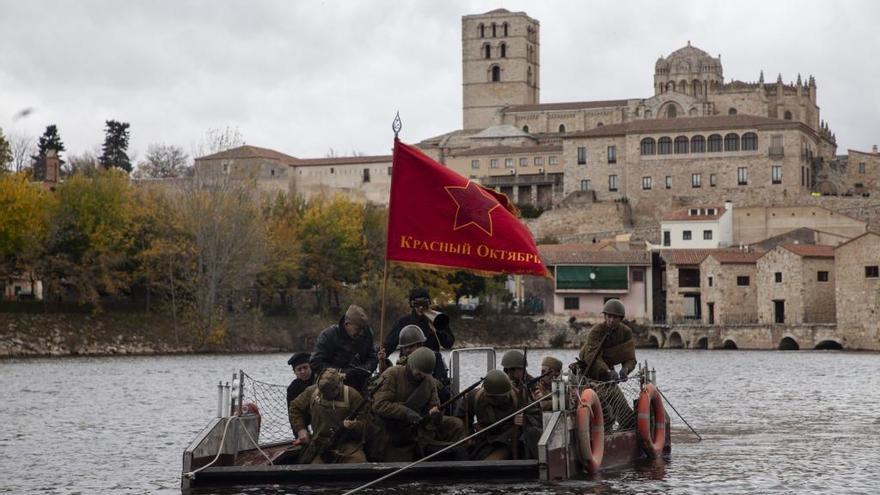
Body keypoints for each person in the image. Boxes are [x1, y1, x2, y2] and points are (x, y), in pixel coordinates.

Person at [367, 347, 465, 462]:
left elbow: (434, 407)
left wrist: (435, 415)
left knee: (455, 424)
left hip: (419, 425)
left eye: (425, 374)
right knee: (400, 461)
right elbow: (380, 405)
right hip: (392, 428)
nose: (422, 376)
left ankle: (460, 461)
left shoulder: (429, 381)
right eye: (419, 373)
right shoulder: (392, 374)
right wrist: (407, 413)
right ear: (411, 365)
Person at [571, 298, 637, 432]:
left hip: (607, 378)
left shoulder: (626, 333)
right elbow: (593, 358)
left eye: (615, 317)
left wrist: (625, 369)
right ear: (605, 316)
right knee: (604, 413)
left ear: (621, 318)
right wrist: (608, 371)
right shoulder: (596, 331)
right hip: (587, 374)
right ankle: (599, 436)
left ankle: (620, 436)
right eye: (609, 316)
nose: (611, 320)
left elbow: (630, 358)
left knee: (627, 418)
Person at [383, 288, 455, 398]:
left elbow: (448, 343)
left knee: (444, 393)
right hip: (408, 366)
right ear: (412, 305)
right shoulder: (404, 322)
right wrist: (381, 357)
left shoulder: (437, 319)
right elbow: (388, 345)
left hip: (432, 365)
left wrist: (438, 330)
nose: (421, 308)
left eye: (424, 304)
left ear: (429, 303)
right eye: (417, 304)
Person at [455, 369, 538, 460]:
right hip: (485, 439)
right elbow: (461, 418)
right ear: (487, 395)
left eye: (503, 397)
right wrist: (469, 435)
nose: (499, 400)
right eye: (494, 398)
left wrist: (525, 419)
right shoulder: (473, 397)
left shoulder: (518, 396)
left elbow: (536, 416)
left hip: (509, 439)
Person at [288, 368, 367, 463]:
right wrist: (301, 430)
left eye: (329, 393)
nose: (325, 396)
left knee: (359, 465)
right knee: (312, 472)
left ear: (339, 385)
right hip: (320, 444)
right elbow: (294, 407)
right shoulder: (312, 392)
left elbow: (366, 422)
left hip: (347, 444)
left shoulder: (352, 395)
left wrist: (354, 425)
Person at [310, 304, 378, 392]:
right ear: (347, 324)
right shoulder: (328, 336)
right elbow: (316, 362)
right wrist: (343, 372)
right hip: (332, 386)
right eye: (358, 329)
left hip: (361, 385)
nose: (361, 333)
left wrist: (364, 369)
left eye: (363, 329)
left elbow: (373, 357)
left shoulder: (367, 334)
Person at [499, 350, 541, 458]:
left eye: (523, 368)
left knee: (532, 433)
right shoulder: (499, 385)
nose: (524, 372)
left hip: (524, 428)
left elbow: (536, 414)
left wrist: (538, 401)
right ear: (510, 370)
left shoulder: (530, 382)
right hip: (504, 430)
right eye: (520, 369)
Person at [286, 352, 315, 437]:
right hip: (304, 416)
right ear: (294, 372)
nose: (303, 371)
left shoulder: (319, 379)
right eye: (299, 369)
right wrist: (299, 433)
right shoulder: (292, 388)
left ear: (311, 367)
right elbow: (291, 413)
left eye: (305, 368)